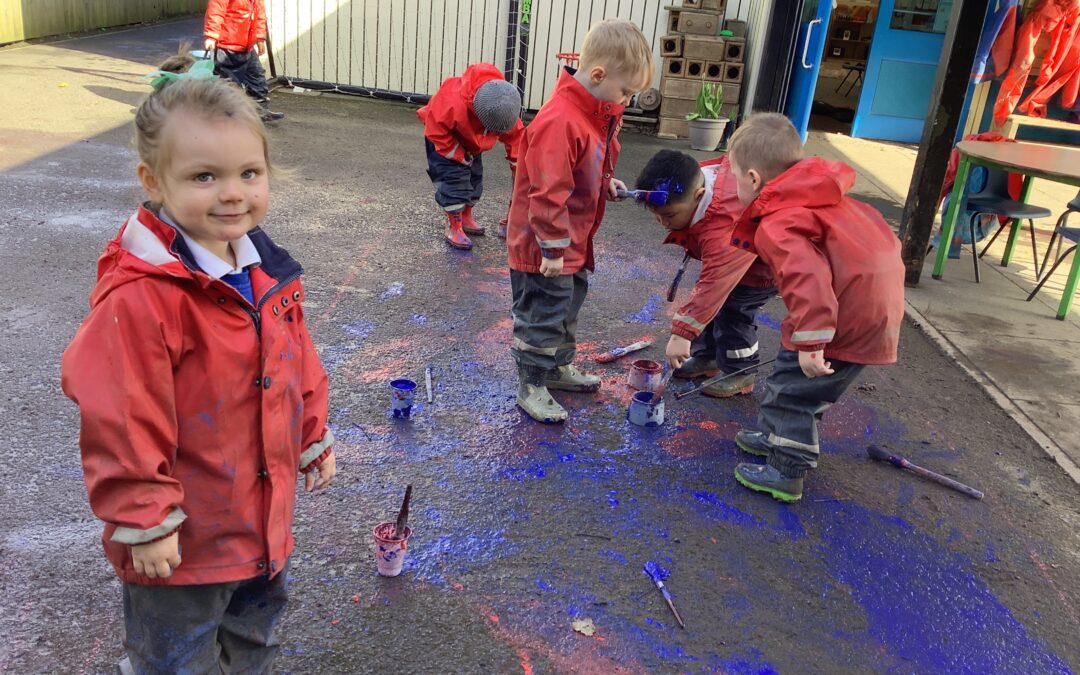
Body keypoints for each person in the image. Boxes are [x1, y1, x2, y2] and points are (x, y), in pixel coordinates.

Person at [60, 52, 336, 673]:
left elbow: (297, 359)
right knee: (175, 659)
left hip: (261, 525)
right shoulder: (142, 299)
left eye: (249, 172)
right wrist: (146, 519)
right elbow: (121, 418)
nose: (233, 193)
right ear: (154, 181)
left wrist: (312, 434)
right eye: (204, 177)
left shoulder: (267, 271)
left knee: (253, 642)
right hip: (184, 544)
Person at [725, 113, 905, 502]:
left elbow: (807, 279)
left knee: (793, 391)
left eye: (734, 176)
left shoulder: (778, 221)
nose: (732, 184)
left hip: (841, 315)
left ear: (754, 179)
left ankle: (786, 468)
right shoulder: (820, 196)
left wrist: (811, 340)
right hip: (871, 307)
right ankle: (779, 435)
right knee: (805, 385)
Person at [507, 19, 653, 423]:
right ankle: (531, 385)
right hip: (544, 247)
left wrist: (606, 181)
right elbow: (548, 191)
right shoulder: (561, 120)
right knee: (542, 313)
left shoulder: (594, 113)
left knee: (568, 305)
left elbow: (584, 164)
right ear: (598, 74)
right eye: (625, 91)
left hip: (572, 242)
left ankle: (556, 368)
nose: (626, 101)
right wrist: (553, 247)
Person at [634, 150, 776, 397]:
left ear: (699, 196)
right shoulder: (690, 180)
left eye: (669, 215)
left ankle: (740, 373)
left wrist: (682, 333)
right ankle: (708, 358)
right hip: (735, 258)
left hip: (763, 267)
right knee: (711, 307)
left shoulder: (723, 226)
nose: (663, 222)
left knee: (734, 312)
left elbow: (714, 285)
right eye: (655, 215)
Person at [418, 63, 524, 250]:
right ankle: (454, 225)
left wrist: (518, 165)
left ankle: (466, 216)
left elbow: (517, 140)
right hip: (444, 141)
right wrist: (457, 154)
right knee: (454, 183)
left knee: (475, 181)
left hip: (473, 142)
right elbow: (435, 131)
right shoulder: (450, 102)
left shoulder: (504, 107)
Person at [204, 0, 283, 122]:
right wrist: (212, 36)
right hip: (228, 45)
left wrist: (260, 38)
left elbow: (260, 14)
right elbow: (216, 10)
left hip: (247, 46)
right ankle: (225, 116)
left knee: (257, 77)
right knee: (228, 84)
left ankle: (259, 111)